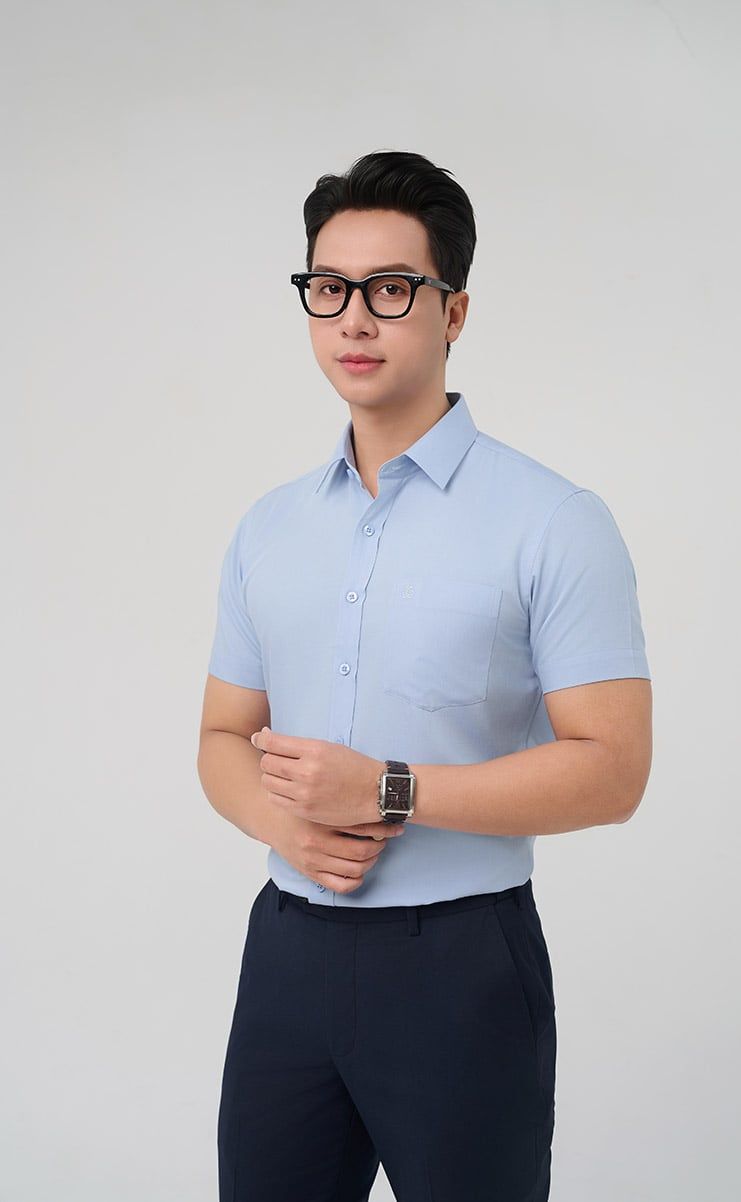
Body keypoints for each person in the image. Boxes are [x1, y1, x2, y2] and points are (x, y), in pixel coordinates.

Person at [197, 149, 653, 1202]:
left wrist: (390, 789)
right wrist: (283, 827)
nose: (354, 319)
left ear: (453, 312)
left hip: (460, 963)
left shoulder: (553, 520)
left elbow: (614, 769)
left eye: (390, 289)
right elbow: (221, 735)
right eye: (328, 289)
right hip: (286, 954)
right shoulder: (268, 527)